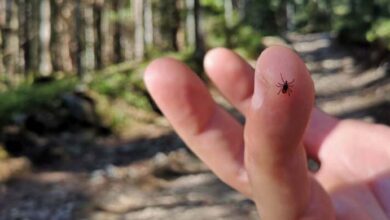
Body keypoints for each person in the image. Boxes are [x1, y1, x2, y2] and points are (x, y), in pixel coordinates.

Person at [143, 46, 390, 219]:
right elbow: (286, 85)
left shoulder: (286, 86)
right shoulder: (285, 86)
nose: (284, 85)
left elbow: (287, 86)